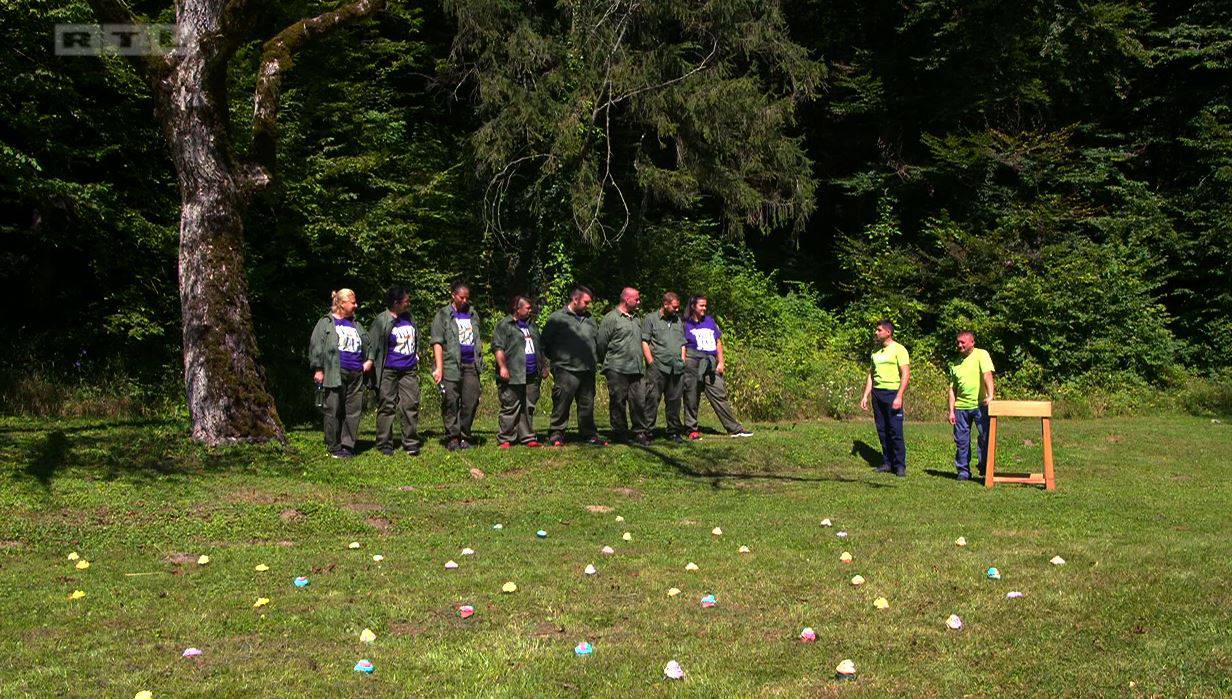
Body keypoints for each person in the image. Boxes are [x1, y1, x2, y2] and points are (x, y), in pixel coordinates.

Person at [308, 288, 372, 458]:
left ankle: (347, 445)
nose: (356, 305)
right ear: (342, 304)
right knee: (333, 409)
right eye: (353, 302)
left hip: (356, 374)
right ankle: (333, 445)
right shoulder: (326, 323)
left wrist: (369, 361)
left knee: (353, 410)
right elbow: (316, 346)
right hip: (335, 372)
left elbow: (368, 345)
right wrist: (319, 369)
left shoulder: (356, 324)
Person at [541, 285, 606, 447]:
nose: (588, 306)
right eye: (586, 302)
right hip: (565, 369)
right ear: (575, 299)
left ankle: (588, 434)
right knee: (562, 402)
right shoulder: (557, 318)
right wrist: (554, 362)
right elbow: (544, 344)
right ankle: (557, 433)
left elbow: (596, 342)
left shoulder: (590, 319)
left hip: (587, 369)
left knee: (587, 404)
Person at [681, 295, 753, 439]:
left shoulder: (710, 321)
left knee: (719, 394)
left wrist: (721, 362)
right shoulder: (685, 323)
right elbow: (682, 343)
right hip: (692, 362)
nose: (704, 308)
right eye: (701, 305)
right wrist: (683, 361)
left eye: (705, 305)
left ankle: (734, 428)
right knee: (691, 396)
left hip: (710, 363)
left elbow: (718, 342)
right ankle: (691, 429)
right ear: (693, 306)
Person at [367, 286, 422, 456]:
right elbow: (373, 345)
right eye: (406, 301)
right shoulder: (381, 320)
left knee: (410, 404)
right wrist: (370, 365)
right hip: (388, 370)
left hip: (408, 370)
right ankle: (384, 443)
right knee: (387, 405)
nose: (409, 303)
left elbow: (416, 337)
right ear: (396, 303)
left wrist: (416, 354)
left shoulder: (409, 318)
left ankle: (411, 442)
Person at [430, 281, 483, 450]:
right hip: (451, 365)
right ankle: (453, 436)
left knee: (471, 400)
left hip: (471, 365)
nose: (465, 301)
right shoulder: (443, 315)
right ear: (453, 296)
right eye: (462, 297)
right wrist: (439, 367)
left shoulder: (473, 314)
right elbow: (437, 342)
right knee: (451, 400)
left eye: (467, 298)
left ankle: (465, 435)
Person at [492, 294, 547, 448]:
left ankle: (527, 437)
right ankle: (506, 438)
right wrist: (502, 367)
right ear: (517, 309)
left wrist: (543, 366)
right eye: (528, 308)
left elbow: (540, 348)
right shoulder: (504, 325)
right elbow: (498, 348)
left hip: (532, 373)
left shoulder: (532, 326)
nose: (531, 310)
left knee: (528, 405)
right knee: (511, 405)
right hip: (513, 373)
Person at [598, 287, 651, 445]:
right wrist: (608, 362)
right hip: (617, 368)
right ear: (627, 299)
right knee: (618, 401)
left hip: (636, 368)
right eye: (637, 299)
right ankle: (620, 432)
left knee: (639, 401)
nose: (639, 302)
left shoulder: (636, 319)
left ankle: (639, 432)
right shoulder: (611, 318)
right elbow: (601, 343)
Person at [860, 320, 910, 476]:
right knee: (882, 430)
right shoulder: (875, 352)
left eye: (879, 330)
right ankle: (887, 462)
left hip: (892, 393)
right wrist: (866, 395)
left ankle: (900, 465)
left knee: (895, 430)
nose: (876, 332)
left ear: (888, 332)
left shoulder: (899, 349)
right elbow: (871, 375)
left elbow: (906, 374)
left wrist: (899, 396)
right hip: (877, 394)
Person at [948, 330, 995, 481]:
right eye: (958, 342)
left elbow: (987, 375)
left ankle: (984, 469)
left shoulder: (982, 354)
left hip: (980, 405)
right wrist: (951, 411)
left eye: (963, 342)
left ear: (972, 342)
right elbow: (952, 389)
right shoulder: (955, 363)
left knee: (985, 437)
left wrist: (990, 395)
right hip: (961, 408)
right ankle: (963, 471)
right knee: (961, 441)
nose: (959, 345)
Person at [641, 291, 687, 442]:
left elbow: (682, 343)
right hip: (658, 367)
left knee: (674, 401)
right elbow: (645, 342)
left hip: (676, 367)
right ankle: (647, 431)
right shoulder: (651, 319)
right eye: (674, 307)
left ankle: (673, 431)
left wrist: (682, 360)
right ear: (665, 304)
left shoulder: (677, 321)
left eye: (678, 307)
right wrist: (651, 363)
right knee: (652, 399)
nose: (677, 310)